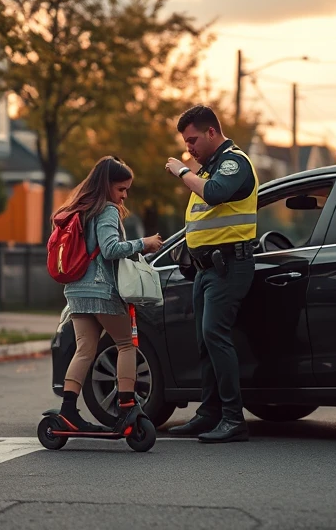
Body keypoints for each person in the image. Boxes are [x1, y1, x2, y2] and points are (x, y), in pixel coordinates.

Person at [163, 105, 257, 444]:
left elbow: (216, 196)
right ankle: (209, 414)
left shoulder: (234, 163)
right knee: (205, 341)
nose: (188, 148)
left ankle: (233, 419)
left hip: (229, 266)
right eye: (186, 142)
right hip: (207, 270)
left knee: (216, 337)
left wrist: (181, 172)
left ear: (212, 133)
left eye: (192, 140)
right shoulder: (208, 169)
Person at [53, 156, 163, 433]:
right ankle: (127, 406)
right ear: (107, 186)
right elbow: (111, 249)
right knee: (126, 345)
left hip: (76, 291)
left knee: (85, 350)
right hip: (102, 291)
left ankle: (67, 411)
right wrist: (144, 244)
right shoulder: (107, 210)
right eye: (121, 189)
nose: (124, 195)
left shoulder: (77, 208)